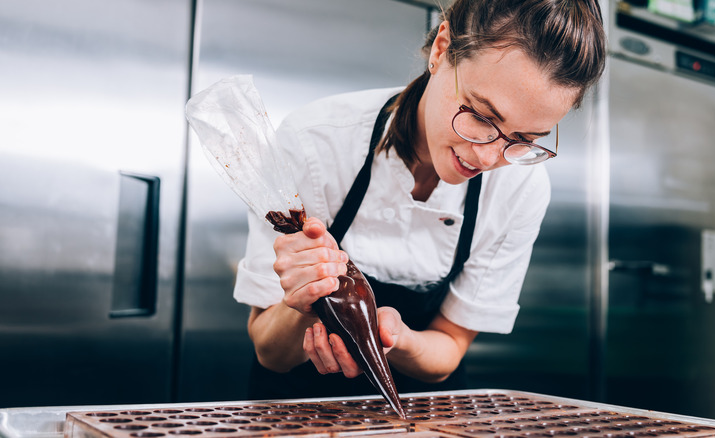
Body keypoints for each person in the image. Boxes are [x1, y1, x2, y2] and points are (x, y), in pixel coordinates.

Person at [234, 0, 606, 399]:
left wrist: (398, 340)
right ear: (442, 49)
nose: (486, 157)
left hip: (423, 414)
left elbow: (449, 349)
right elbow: (269, 351)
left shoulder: (520, 188)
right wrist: (302, 301)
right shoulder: (315, 143)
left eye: (524, 140)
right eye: (481, 116)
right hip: (295, 414)